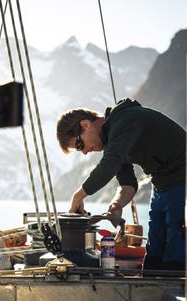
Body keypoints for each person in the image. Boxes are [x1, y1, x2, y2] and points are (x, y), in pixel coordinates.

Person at [56, 98, 186, 270]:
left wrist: (77, 197)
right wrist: (116, 204)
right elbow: (127, 184)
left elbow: (110, 165)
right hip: (162, 183)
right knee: (154, 252)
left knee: (174, 248)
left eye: (80, 145)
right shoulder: (114, 140)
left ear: (86, 124)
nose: (86, 152)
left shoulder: (124, 120)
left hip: (181, 178)